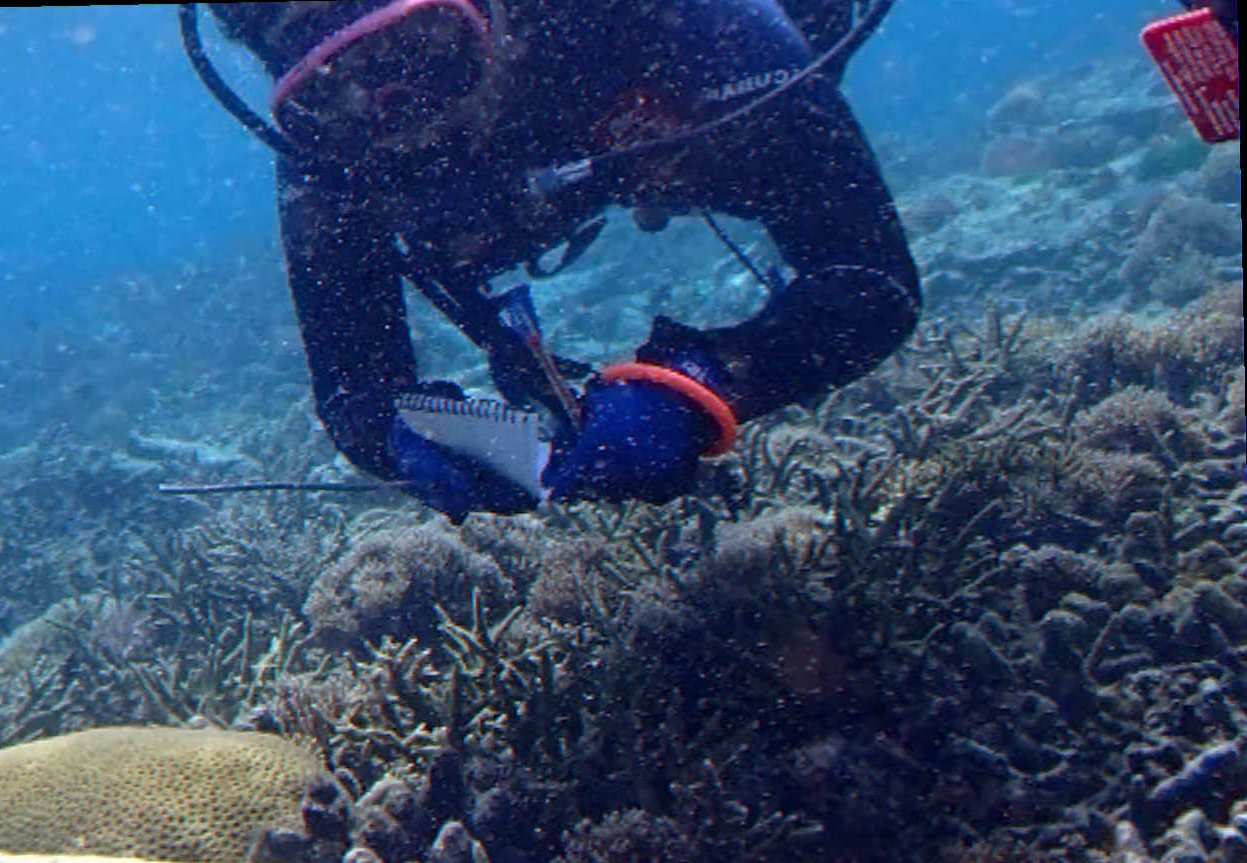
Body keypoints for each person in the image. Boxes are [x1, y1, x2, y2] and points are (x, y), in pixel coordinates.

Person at [189, 0, 921, 522]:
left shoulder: (672, 19)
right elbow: (354, 385)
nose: (400, 110)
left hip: (704, 109)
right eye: (331, 81)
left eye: (420, 47)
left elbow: (867, 277)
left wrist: (697, 385)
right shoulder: (327, 144)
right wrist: (403, 435)